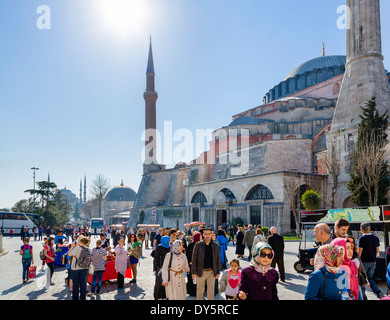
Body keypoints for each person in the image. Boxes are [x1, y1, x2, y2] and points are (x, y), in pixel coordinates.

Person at [191, 227, 222, 300]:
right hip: (201, 271)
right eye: (206, 234)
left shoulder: (215, 246)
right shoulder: (198, 245)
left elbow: (217, 259)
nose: (207, 235)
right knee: (199, 291)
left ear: (211, 235)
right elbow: (194, 259)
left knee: (211, 292)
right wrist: (193, 272)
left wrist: (217, 272)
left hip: (211, 271)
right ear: (203, 235)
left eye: (209, 234)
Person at [358, 222, 385, 299]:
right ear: (369, 229)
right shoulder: (376, 238)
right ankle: (379, 293)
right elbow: (377, 251)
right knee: (370, 278)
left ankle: (363, 297)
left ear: (361, 229)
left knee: (362, 280)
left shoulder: (362, 238)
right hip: (373, 261)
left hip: (364, 262)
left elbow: (360, 253)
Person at [68, 236, 91, 300]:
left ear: (81, 242)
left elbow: (70, 254)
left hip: (76, 268)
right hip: (85, 268)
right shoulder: (88, 249)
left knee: (75, 284)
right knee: (83, 283)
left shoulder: (78, 248)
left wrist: (72, 247)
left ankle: (75, 298)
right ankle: (83, 297)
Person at [153, 235, 171, 300]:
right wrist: (154, 268)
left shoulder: (169, 247)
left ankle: (164, 296)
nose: (169, 241)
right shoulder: (159, 247)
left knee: (165, 281)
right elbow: (155, 258)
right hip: (159, 267)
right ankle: (157, 296)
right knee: (158, 282)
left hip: (167, 268)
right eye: (169, 240)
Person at [186, 232, 201, 297]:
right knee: (191, 278)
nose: (201, 238)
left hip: (199, 265)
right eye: (200, 237)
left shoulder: (202, 244)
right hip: (192, 264)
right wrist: (190, 261)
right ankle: (191, 292)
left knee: (199, 278)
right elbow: (187, 254)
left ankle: (199, 291)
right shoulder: (191, 245)